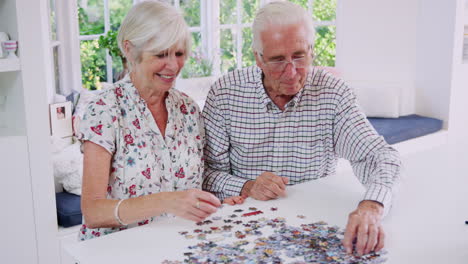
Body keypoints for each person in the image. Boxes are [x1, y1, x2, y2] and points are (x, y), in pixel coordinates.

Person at [202, 1, 401, 256]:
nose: (291, 72)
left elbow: (382, 157)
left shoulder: (334, 94)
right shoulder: (225, 93)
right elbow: (205, 173)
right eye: (277, 60)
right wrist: (247, 186)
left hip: (313, 229)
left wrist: (371, 207)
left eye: (299, 56)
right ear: (258, 58)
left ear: (312, 50)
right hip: (242, 231)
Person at [77, 1, 242, 241]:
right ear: (130, 50)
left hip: (177, 244)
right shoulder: (104, 110)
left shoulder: (188, 109)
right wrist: (166, 201)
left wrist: (214, 201)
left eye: (179, 53)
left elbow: (194, 182)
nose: (173, 66)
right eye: (161, 54)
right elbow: (92, 212)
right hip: (117, 249)